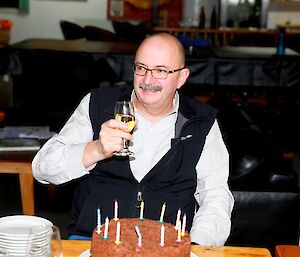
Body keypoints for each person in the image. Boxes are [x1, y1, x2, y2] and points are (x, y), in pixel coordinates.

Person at [32, 33, 234, 245]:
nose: (148, 80)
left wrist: (195, 247)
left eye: (161, 71)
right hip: (92, 243)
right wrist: (96, 150)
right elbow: (42, 169)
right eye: (141, 68)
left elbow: (215, 195)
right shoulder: (98, 105)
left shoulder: (201, 122)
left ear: (181, 78)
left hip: (166, 247)